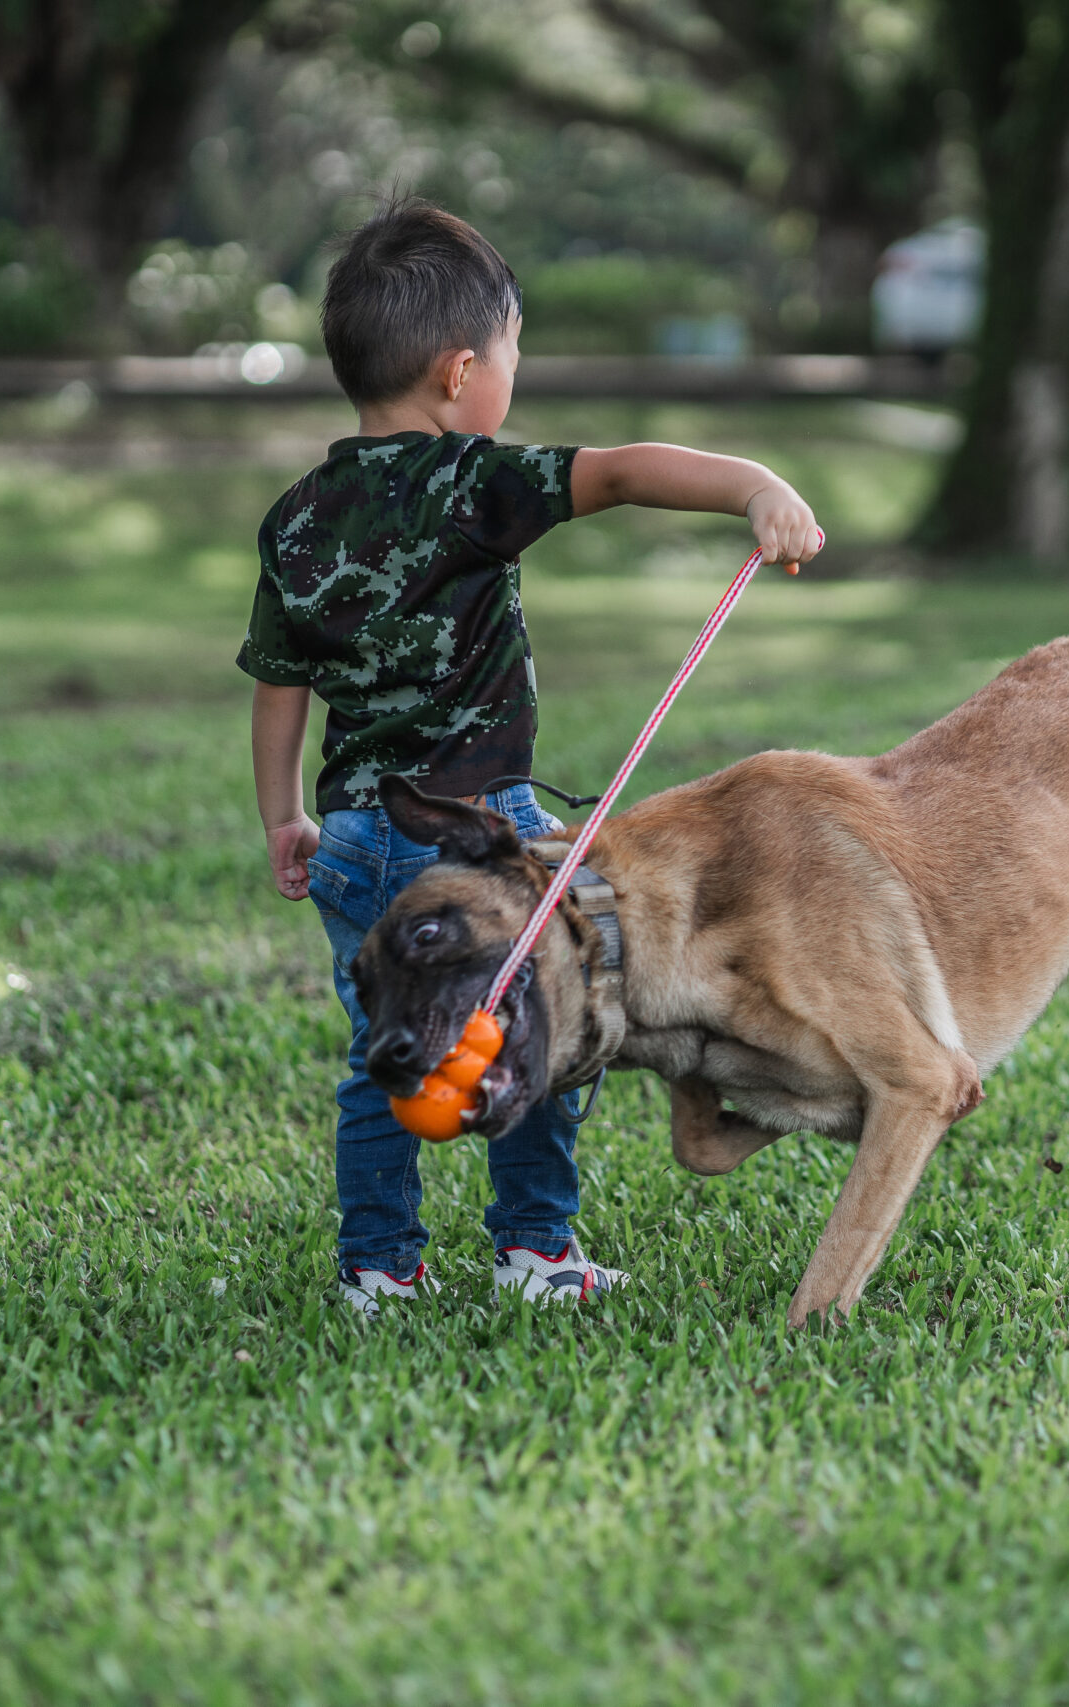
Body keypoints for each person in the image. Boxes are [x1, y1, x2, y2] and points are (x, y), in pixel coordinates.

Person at [242, 198, 821, 1317]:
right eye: (513, 355)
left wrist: (284, 817)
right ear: (461, 372)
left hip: (356, 833)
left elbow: (278, 682)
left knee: (390, 1047)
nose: (514, 375)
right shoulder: (473, 483)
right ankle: (534, 1249)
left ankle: (378, 1268)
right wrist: (755, 485)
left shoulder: (296, 517)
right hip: (479, 835)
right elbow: (619, 473)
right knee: (544, 1025)